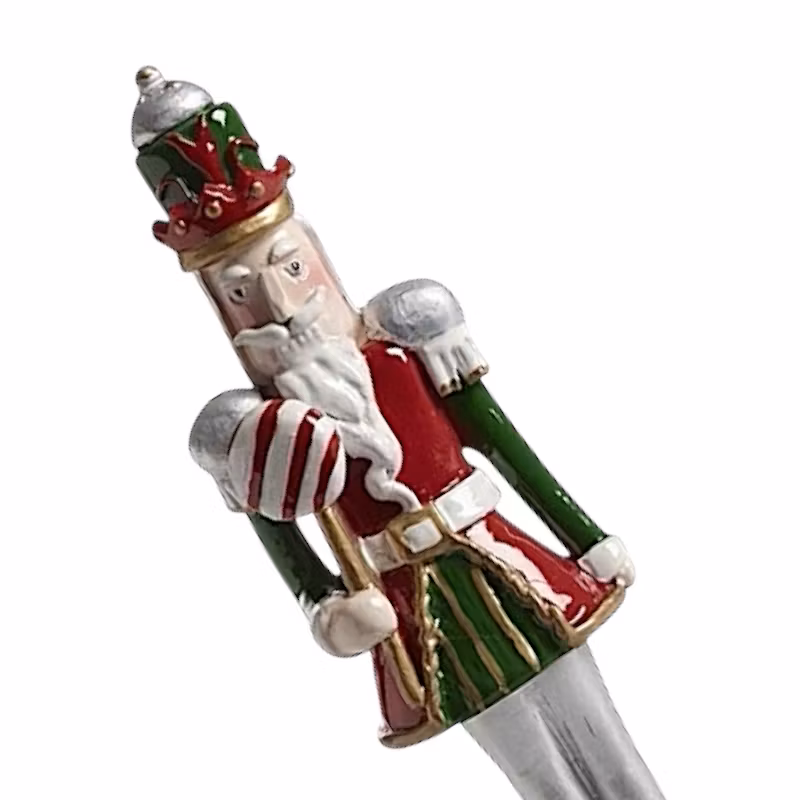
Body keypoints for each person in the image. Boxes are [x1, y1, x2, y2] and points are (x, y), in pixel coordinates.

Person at [132, 66, 664, 799]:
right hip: (419, 614)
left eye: (291, 268)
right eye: (243, 291)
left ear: (318, 257)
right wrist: (327, 609)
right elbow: (286, 545)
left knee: (605, 739)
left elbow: (505, 447)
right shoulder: (259, 437)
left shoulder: (406, 349)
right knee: (536, 771)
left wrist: (585, 536)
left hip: (506, 566)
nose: (282, 306)